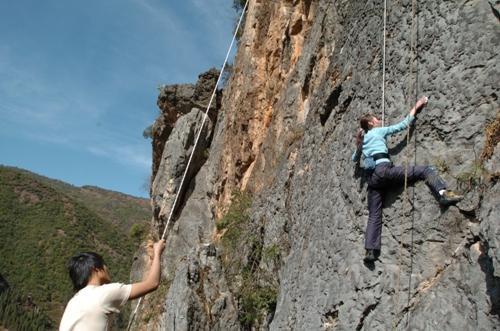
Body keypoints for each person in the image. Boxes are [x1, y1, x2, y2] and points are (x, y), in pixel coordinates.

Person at [352, 96, 463, 263]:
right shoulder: (378, 131)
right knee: (426, 170)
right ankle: (443, 193)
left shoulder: (363, 141)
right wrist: (417, 106)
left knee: (374, 214)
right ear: (371, 124)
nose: (379, 120)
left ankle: (370, 251)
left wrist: (358, 142)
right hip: (384, 170)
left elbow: (355, 158)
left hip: (373, 180)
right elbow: (403, 125)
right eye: (376, 119)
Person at [60, 240, 165, 331]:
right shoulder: (105, 292)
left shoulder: (73, 302)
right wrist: (157, 252)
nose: (107, 268)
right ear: (96, 269)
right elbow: (152, 283)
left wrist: (151, 260)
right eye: (104, 265)